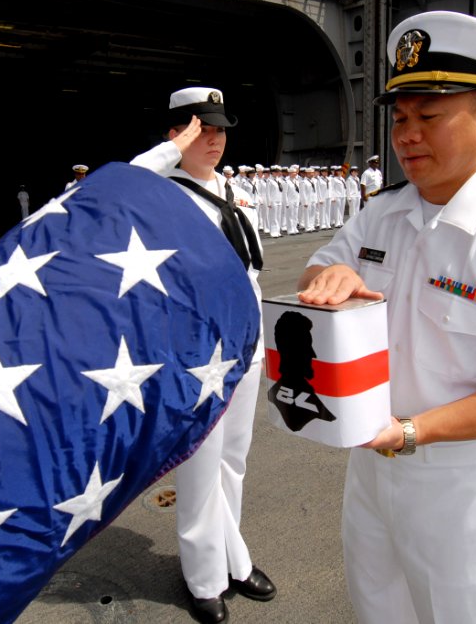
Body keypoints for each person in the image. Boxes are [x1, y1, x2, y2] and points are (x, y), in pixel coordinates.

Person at [297, 11, 476, 624]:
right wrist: (329, 278)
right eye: (400, 118)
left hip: (462, 483)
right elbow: (315, 274)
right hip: (370, 472)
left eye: (429, 116)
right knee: (379, 612)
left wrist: (411, 432)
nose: (408, 135)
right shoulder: (382, 213)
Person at [130, 87, 275, 623]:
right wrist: (173, 150)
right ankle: (204, 577)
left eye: (219, 130)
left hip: (246, 344)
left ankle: (233, 560)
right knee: (199, 468)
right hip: (197, 354)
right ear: (176, 134)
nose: (214, 140)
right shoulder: (162, 190)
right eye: (200, 130)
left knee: (234, 461)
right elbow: (123, 183)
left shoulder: (231, 190)